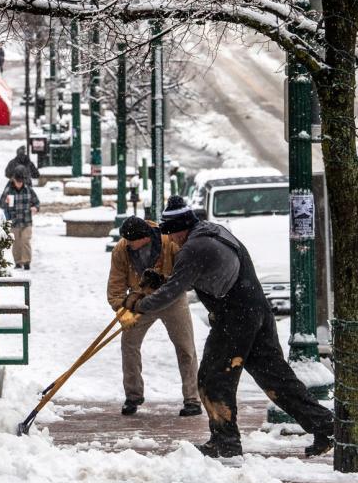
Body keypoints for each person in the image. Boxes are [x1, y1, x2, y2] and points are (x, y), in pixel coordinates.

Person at [120, 196, 335, 458]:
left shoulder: (194, 247)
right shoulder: (215, 231)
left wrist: (138, 305)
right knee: (275, 377)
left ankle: (226, 442)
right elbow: (193, 277)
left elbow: (173, 293)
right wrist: (162, 279)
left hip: (235, 317)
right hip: (256, 310)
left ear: (181, 228)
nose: (172, 240)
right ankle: (327, 426)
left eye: (172, 233)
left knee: (212, 379)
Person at [108, 216, 201, 418]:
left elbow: (188, 277)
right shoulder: (121, 250)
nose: (129, 245)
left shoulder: (169, 243)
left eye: (132, 242)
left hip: (172, 299)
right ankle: (133, 396)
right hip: (140, 301)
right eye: (126, 241)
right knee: (129, 346)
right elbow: (115, 286)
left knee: (186, 348)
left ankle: (192, 398)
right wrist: (121, 308)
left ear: (145, 237)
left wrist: (165, 281)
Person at [0, 166, 39, 270]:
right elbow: (0, 203)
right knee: (16, 242)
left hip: (26, 221)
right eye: (18, 181)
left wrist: (35, 208)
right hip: (14, 221)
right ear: (14, 180)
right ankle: (18, 262)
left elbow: (36, 202)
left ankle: (26, 262)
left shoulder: (28, 190)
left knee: (25, 241)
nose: (19, 183)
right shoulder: (8, 190)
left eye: (21, 181)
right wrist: (5, 202)